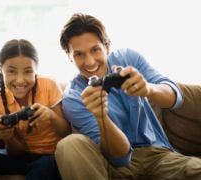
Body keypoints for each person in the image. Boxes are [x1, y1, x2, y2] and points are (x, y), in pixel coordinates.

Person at [55, 13, 201, 180]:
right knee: (69, 144)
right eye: (78, 54)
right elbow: (120, 158)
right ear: (69, 57)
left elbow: (176, 97)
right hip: (114, 166)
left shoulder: (128, 58)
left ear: (107, 47)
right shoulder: (73, 97)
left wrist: (148, 90)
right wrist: (101, 117)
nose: (89, 62)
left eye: (95, 50)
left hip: (158, 155)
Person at [0, 39, 71, 180]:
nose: (20, 80)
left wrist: (51, 115)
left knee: (45, 166)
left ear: (36, 69)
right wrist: (8, 137)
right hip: (21, 156)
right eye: (12, 71)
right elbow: (16, 152)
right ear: (0, 68)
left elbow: (67, 132)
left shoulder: (49, 85)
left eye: (27, 72)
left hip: (51, 155)